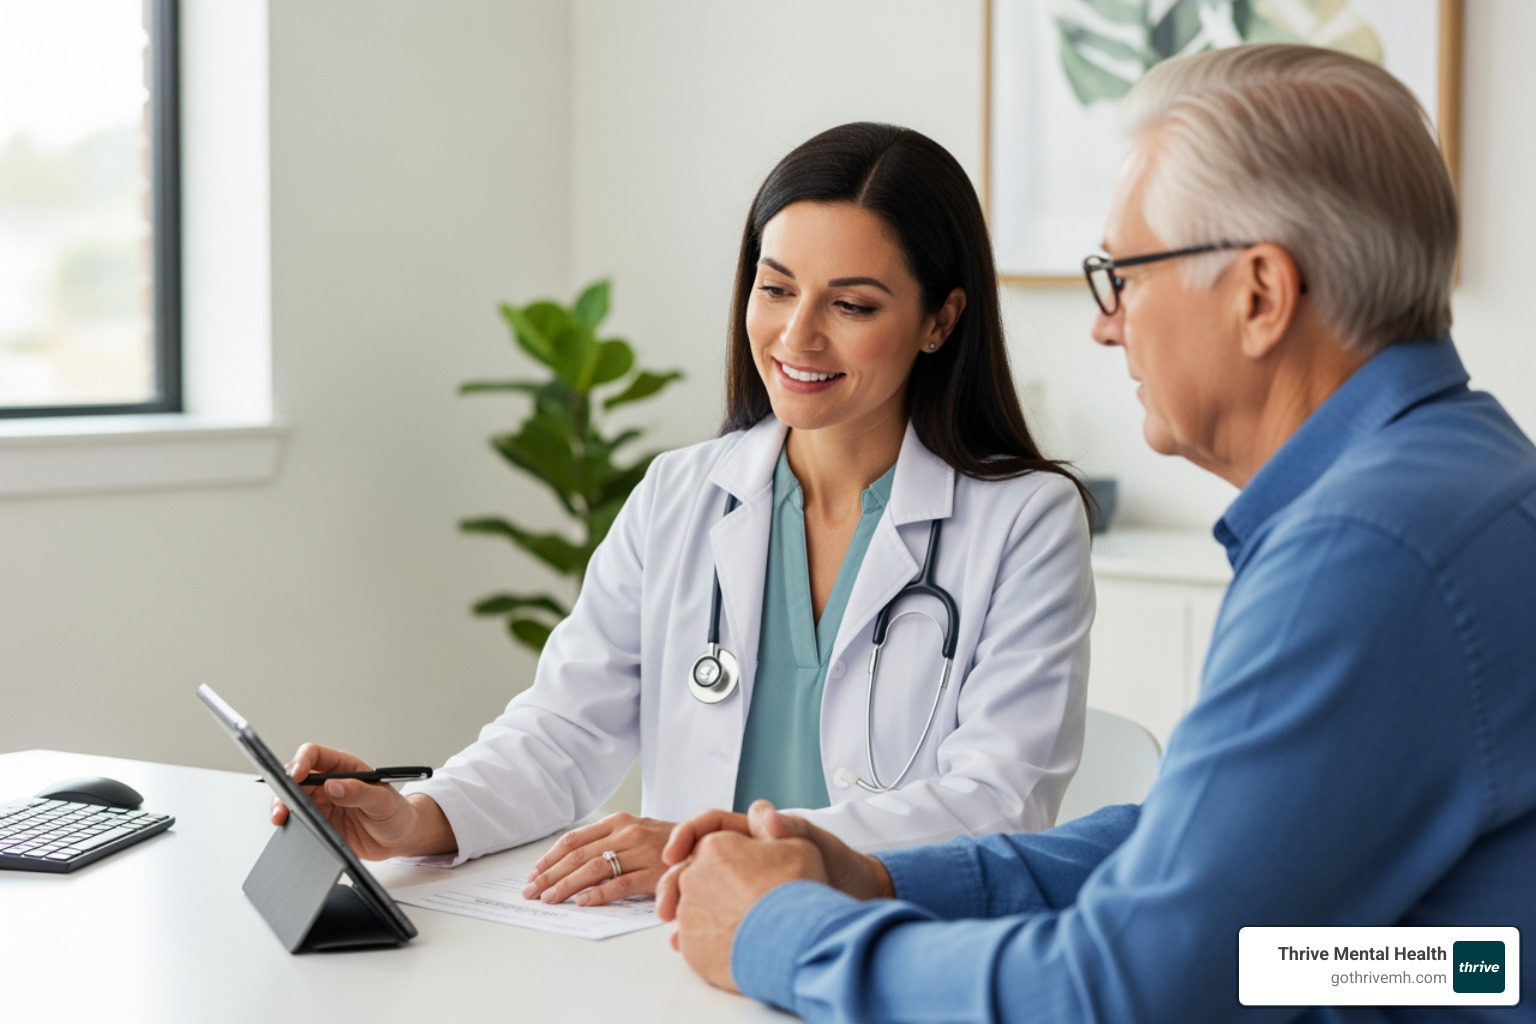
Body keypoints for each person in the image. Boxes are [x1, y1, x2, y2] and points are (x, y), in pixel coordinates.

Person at [657, 45, 1536, 1021]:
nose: (1104, 326)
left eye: (1123, 275)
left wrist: (777, 931)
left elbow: (1123, 988)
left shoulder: (1370, 550)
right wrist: (880, 875)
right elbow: (1244, 878)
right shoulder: (1460, 477)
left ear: (1259, 295)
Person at [272, 122, 1096, 906]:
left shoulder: (1025, 520)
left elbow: (997, 803)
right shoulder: (679, 495)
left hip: (890, 944)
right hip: (685, 945)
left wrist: (721, 844)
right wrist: (415, 816)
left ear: (940, 321)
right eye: (776, 289)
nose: (796, 337)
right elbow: (563, 731)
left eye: (852, 306)